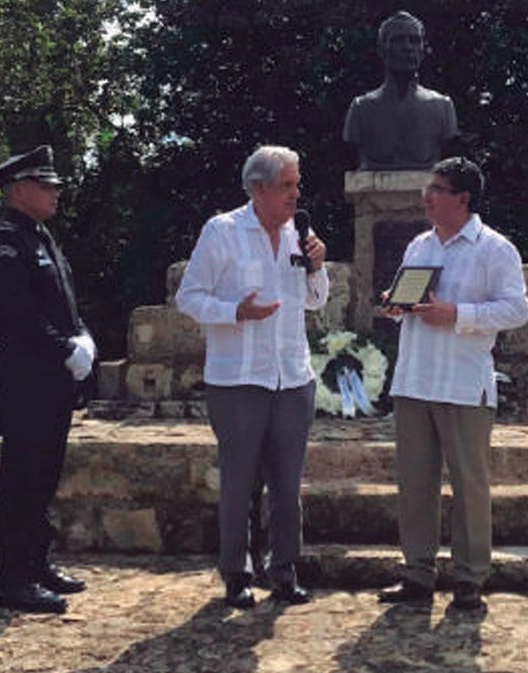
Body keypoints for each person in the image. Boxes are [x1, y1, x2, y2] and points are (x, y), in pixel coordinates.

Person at [176, 145, 329, 608]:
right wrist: (234, 312)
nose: (295, 195)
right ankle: (237, 574)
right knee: (239, 482)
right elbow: (190, 296)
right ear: (258, 189)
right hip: (238, 379)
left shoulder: (297, 236)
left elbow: (316, 301)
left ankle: (284, 572)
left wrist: (318, 267)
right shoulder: (222, 231)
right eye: (287, 186)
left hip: (292, 377)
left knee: (287, 484)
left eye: (297, 185)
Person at [377, 157, 528, 610]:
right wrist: (396, 304)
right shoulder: (418, 246)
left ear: (463, 199)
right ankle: (417, 574)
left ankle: (468, 579)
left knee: (470, 487)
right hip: (415, 380)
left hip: (464, 384)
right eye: (429, 187)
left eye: (438, 189)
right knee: (415, 485)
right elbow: (408, 296)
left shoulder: (494, 248)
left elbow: (517, 310)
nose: (427, 196)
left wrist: (458, 316)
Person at [0, 145, 94, 615]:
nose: (56, 193)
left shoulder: (42, 237)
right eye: (46, 186)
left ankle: (37, 563)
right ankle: (12, 579)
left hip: (53, 376)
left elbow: (62, 302)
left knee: (44, 475)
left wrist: (82, 335)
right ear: (19, 190)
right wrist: (64, 348)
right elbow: (18, 313)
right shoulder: (4, 239)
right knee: (22, 476)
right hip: (28, 373)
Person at [343, 11, 458, 171]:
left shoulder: (443, 107)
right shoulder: (361, 108)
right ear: (382, 49)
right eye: (398, 40)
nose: (407, 47)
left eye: (414, 40)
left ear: (423, 51)